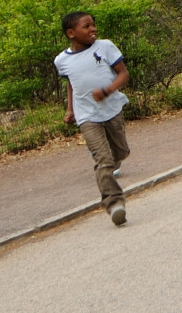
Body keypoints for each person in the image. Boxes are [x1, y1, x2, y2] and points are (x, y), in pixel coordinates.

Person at [55, 12, 131, 226]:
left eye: (93, 25)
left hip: (112, 109)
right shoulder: (61, 61)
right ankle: (115, 203)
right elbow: (71, 84)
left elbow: (123, 73)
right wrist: (70, 110)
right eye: (86, 26)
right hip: (87, 116)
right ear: (71, 33)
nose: (93, 29)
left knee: (121, 152)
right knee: (103, 161)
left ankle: (113, 159)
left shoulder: (105, 46)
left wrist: (107, 90)